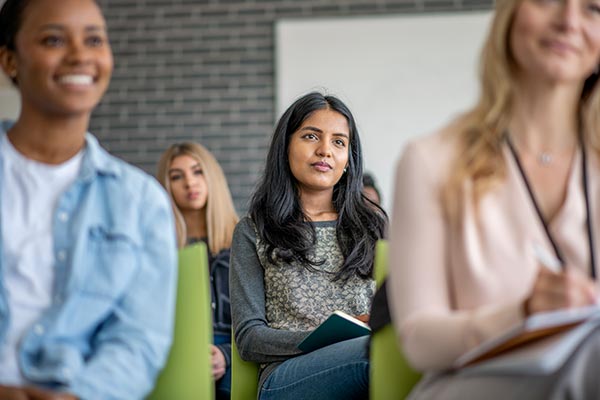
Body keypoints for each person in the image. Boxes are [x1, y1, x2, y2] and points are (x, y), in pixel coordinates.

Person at [388, 0, 600, 398]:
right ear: (509, 16)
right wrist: (522, 315)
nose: (569, 21)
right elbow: (419, 341)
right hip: (472, 383)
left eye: (593, 9)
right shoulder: (431, 161)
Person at [0, 0, 177, 399]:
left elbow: (137, 340)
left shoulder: (141, 201)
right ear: (10, 60)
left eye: (94, 39)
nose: (80, 56)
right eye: (54, 39)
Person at [230, 91, 387, 400]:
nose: (325, 150)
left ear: (348, 159)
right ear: (286, 146)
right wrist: (322, 339)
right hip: (286, 378)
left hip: (367, 363)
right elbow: (249, 339)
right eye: (311, 136)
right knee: (379, 355)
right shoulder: (253, 230)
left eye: (339, 142)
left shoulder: (373, 227)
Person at [157, 142, 238, 400]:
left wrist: (225, 354)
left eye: (197, 171)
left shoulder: (244, 240)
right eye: (176, 176)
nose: (189, 183)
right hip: (176, 349)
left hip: (235, 352)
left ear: (211, 176)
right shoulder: (159, 247)